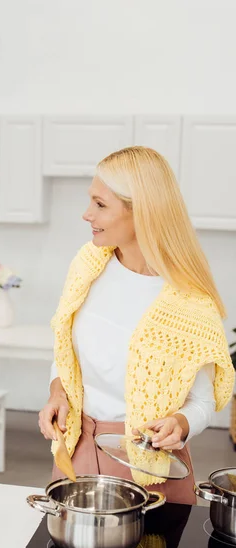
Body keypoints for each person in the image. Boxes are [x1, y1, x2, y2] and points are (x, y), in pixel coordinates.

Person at [39, 146, 235, 504]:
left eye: (100, 204)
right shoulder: (88, 266)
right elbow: (66, 350)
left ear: (140, 211)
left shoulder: (189, 300)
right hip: (77, 451)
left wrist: (182, 423)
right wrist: (57, 392)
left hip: (152, 468)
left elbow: (203, 402)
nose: (87, 214)